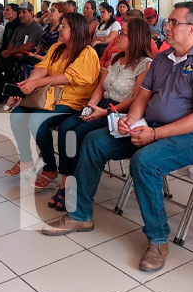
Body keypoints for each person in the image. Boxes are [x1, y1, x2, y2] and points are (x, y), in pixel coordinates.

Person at [42, 2, 193, 273]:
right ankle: (80, 215)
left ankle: (159, 239)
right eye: (169, 22)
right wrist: (131, 120)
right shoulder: (163, 58)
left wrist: (154, 134)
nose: (167, 26)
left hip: (188, 138)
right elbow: (142, 97)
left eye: (174, 22)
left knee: (144, 161)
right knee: (94, 142)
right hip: (150, 126)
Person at [52, 18, 153, 210]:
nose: (116, 36)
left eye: (122, 33)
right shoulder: (116, 58)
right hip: (101, 104)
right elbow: (100, 87)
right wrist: (90, 106)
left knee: (81, 133)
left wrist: (104, 112)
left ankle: (76, 188)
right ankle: (66, 182)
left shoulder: (145, 64)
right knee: (66, 127)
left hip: (120, 111)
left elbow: (137, 98)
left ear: (135, 38)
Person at [5, 13, 100, 189]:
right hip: (49, 98)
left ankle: (50, 168)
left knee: (37, 120)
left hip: (73, 102)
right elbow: (42, 68)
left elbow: (67, 77)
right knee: (17, 114)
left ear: (74, 32)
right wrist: (30, 83)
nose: (59, 29)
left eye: (64, 26)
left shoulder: (87, 53)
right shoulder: (57, 48)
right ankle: (26, 158)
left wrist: (36, 83)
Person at [2, 2, 64, 111]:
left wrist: (39, 57)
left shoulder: (61, 29)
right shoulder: (48, 27)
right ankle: (14, 96)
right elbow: (41, 44)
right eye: (50, 10)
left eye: (53, 10)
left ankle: (20, 99)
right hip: (40, 56)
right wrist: (36, 53)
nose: (50, 13)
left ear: (61, 14)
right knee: (17, 65)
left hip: (50, 58)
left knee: (24, 68)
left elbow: (57, 51)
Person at [0, 2, 43, 105]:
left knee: (10, 70)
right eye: (19, 12)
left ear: (31, 13)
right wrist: (10, 52)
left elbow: (29, 46)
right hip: (13, 55)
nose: (21, 15)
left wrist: (10, 52)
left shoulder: (36, 28)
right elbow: (11, 44)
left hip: (25, 57)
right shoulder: (18, 29)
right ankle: (2, 91)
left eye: (24, 12)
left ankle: (0, 94)